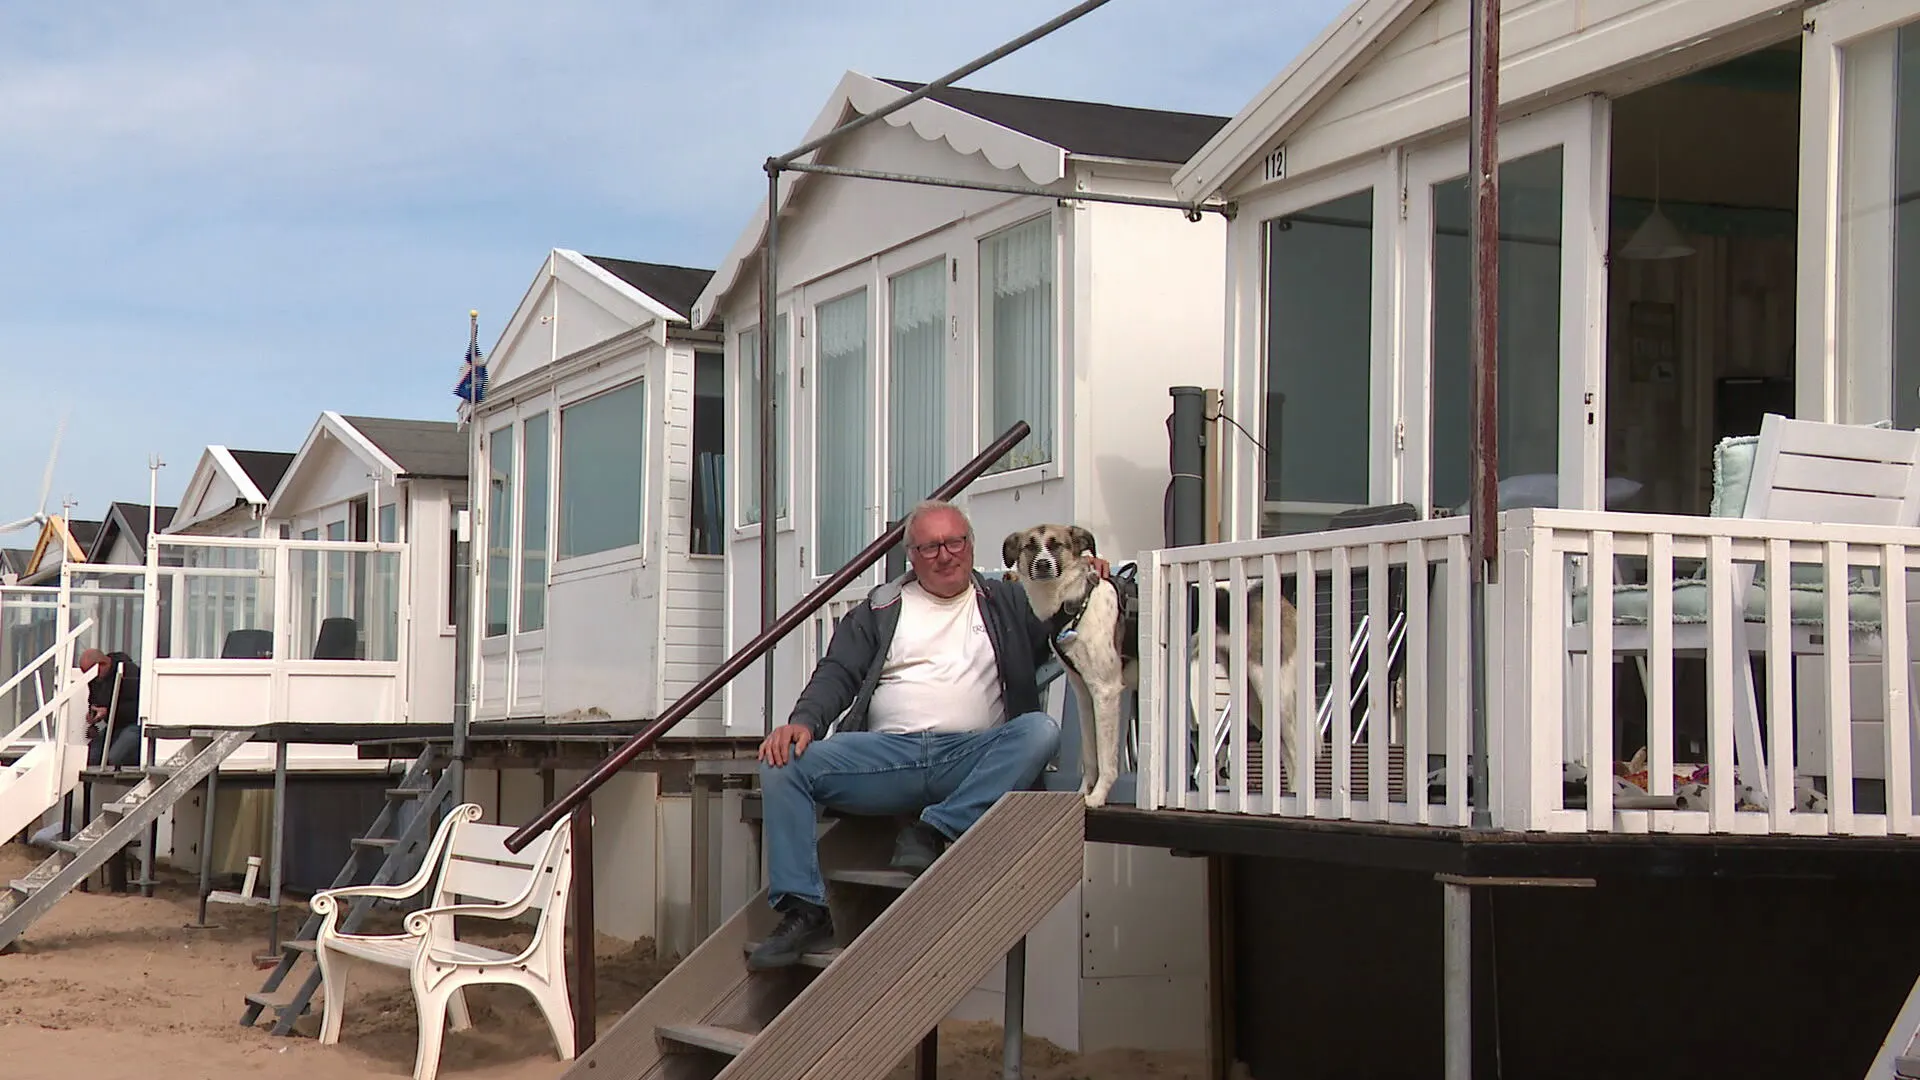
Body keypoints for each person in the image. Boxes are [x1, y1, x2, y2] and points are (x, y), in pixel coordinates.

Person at [749, 499, 1096, 971]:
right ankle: (804, 910)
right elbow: (837, 673)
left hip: (972, 757)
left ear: (970, 547)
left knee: (1039, 731)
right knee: (784, 761)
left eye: (955, 542)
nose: (945, 554)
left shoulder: (1009, 601)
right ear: (912, 555)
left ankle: (933, 829)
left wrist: (1092, 580)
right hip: (888, 757)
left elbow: (1067, 613)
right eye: (930, 546)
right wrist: (804, 721)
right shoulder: (880, 608)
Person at [77, 647, 142, 768]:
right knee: (90, 757)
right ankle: (87, 787)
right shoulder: (96, 678)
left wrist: (109, 711)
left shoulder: (130, 672)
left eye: (90, 673)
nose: (91, 678)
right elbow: (93, 699)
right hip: (114, 726)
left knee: (115, 758)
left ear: (101, 664)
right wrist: (93, 713)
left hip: (135, 725)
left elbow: (138, 707)